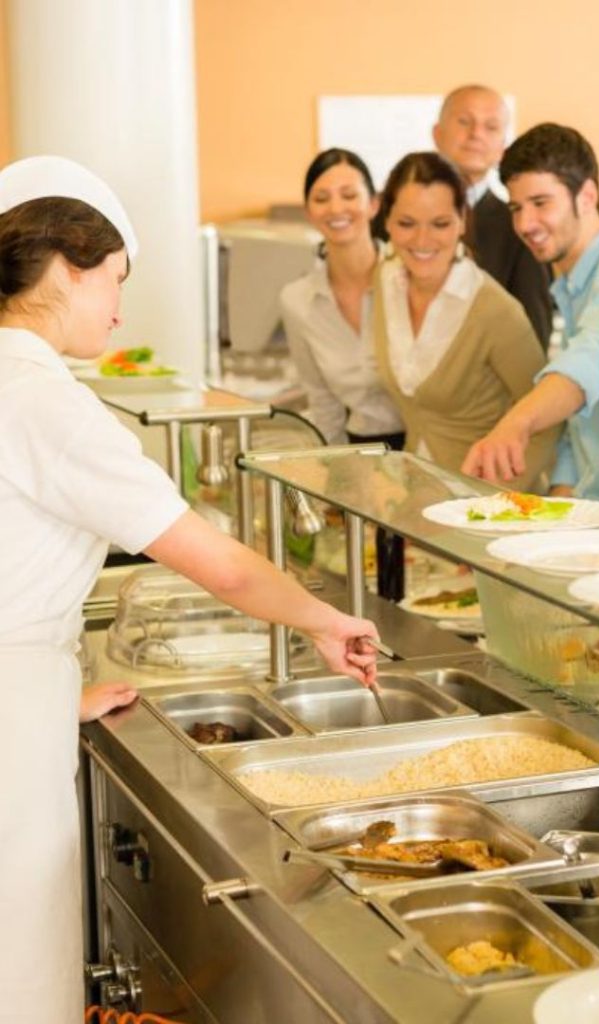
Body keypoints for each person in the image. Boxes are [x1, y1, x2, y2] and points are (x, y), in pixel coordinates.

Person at [0, 155, 380, 1024]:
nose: (120, 306)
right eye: (116, 280)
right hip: (8, 751)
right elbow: (222, 564)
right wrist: (328, 622)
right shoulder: (50, 406)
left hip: (19, 706)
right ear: (65, 266)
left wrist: (50, 694)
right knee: (18, 980)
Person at [461, 123, 599, 498]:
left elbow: (591, 360)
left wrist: (515, 424)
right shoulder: (573, 285)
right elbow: (582, 429)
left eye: (541, 203)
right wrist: (553, 516)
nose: (524, 224)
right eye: (516, 208)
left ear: (587, 196)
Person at [372, 151, 557, 487]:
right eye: (406, 223)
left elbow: (548, 423)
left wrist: (494, 505)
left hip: (485, 507)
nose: (422, 240)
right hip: (417, 498)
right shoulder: (384, 283)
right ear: (385, 221)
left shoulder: (493, 309)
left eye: (439, 224)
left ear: (461, 220)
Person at [280, 148, 403, 450]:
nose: (336, 208)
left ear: (374, 204)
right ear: (308, 212)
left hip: (431, 446)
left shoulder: (407, 277)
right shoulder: (296, 300)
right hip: (358, 450)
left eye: (349, 195)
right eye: (321, 199)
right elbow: (324, 405)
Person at [433, 84, 552, 349]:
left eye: (491, 127)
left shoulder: (521, 227)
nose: (476, 134)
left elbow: (533, 334)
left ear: (502, 148)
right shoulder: (396, 217)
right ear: (437, 134)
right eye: (464, 121)